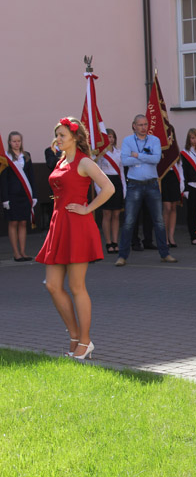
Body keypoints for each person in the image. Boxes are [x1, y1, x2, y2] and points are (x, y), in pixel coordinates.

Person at [37, 117, 115, 360]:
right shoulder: (61, 161)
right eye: (57, 135)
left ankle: (85, 340)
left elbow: (109, 188)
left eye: (62, 135)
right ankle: (74, 336)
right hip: (59, 225)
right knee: (52, 285)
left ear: (75, 137)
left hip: (77, 226)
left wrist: (87, 208)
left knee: (76, 286)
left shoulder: (84, 162)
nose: (58, 139)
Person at [115, 114, 177, 266]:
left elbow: (156, 159)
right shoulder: (127, 141)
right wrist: (146, 156)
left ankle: (165, 254)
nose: (144, 127)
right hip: (134, 184)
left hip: (152, 184)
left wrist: (137, 155)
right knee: (129, 221)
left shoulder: (154, 140)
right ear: (134, 126)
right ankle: (122, 256)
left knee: (159, 221)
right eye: (140, 125)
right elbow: (125, 161)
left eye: (145, 124)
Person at [1, 131, 36, 261]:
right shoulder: (5, 157)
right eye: (14, 141)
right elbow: (3, 180)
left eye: (19, 141)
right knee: (13, 222)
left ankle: (23, 252)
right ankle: (16, 253)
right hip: (11, 196)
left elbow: (31, 177)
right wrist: (5, 199)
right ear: (9, 142)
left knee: (23, 222)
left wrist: (34, 195)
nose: (17, 143)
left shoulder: (26, 156)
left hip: (25, 195)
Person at [97, 128, 124, 253]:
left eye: (112, 136)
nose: (110, 139)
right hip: (105, 183)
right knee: (107, 214)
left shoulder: (119, 153)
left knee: (116, 214)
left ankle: (115, 241)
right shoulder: (100, 154)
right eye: (108, 137)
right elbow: (97, 173)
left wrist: (124, 188)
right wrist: (99, 189)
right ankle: (108, 242)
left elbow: (122, 172)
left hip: (117, 183)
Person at [181, 128, 196, 245]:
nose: (194, 140)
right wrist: (185, 188)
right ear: (188, 139)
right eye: (192, 138)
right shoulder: (184, 153)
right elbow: (183, 172)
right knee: (192, 212)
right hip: (191, 185)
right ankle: (193, 236)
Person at [160, 160, 184, 248]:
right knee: (167, 208)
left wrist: (182, 181)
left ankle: (171, 236)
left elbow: (179, 165)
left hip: (174, 176)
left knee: (173, 207)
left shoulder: (176, 152)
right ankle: (165, 237)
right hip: (163, 176)